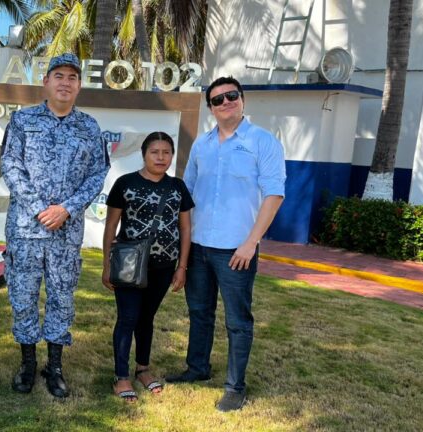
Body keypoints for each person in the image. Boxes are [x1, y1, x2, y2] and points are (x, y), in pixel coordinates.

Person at [166, 76, 286, 412]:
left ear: (242, 99)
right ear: (210, 108)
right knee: (199, 312)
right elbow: (185, 194)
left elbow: (274, 194)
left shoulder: (263, 142)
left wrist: (251, 243)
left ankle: (235, 387)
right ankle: (198, 368)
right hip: (200, 245)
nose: (225, 102)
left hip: (238, 249)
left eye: (231, 96)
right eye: (218, 100)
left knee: (237, 320)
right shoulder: (202, 145)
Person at [1, 53, 110, 398]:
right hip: (26, 230)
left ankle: (55, 366)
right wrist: (38, 209)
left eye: (72, 77)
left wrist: (67, 208)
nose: (65, 82)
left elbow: (97, 174)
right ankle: (28, 363)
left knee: (62, 297)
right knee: (23, 296)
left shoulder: (89, 128)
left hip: (66, 232)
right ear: (46, 82)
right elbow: (11, 167)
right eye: (58, 75)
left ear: (79, 86)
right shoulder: (22, 121)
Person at [102, 132, 192, 403]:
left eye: (166, 152)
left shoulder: (178, 187)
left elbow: (185, 228)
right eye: (155, 152)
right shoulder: (125, 183)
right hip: (129, 266)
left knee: (146, 318)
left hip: (164, 267)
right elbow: (110, 227)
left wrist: (182, 267)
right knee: (128, 318)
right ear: (144, 154)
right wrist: (107, 264)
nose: (161, 157)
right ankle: (121, 376)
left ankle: (142, 368)